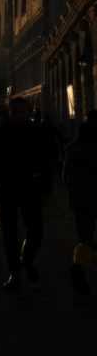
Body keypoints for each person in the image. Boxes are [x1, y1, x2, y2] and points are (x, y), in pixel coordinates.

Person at [0, 98, 51, 292]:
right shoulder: (0, 134)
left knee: (36, 231)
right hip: (8, 189)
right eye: (16, 112)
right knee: (10, 234)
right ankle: (15, 272)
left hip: (30, 188)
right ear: (11, 113)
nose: (20, 116)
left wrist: (46, 186)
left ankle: (26, 259)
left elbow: (45, 162)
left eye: (23, 112)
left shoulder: (36, 132)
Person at [65, 111, 97, 294]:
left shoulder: (72, 148)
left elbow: (66, 177)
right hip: (90, 198)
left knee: (85, 238)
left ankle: (79, 269)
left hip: (80, 200)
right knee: (88, 239)